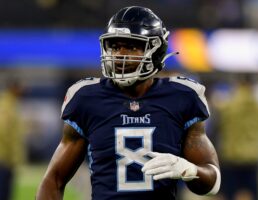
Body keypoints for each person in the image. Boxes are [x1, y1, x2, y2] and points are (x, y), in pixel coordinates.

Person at [36, 6, 220, 200]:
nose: (120, 55)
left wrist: (188, 169)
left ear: (156, 50)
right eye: (115, 47)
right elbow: (53, 180)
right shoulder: (86, 98)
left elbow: (212, 183)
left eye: (131, 47)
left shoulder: (182, 97)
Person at [0, 80, 25, 200]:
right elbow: (3, 131)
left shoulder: (10, 104)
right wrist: (9, 156)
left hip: (6, 159)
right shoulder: (6, 105)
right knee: (4, 194)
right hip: (4, 159)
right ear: (13, 88)